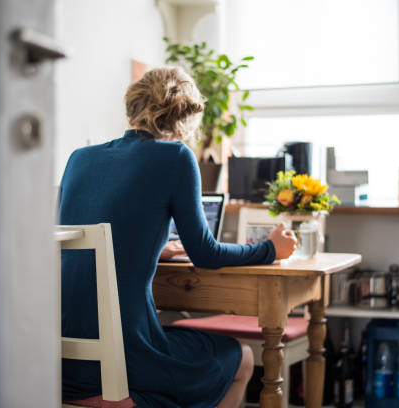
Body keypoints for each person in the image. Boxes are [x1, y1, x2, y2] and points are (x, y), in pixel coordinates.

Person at [58, 67, 297, 408]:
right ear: (186, 118)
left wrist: (152, 251)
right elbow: (206, 254)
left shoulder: (78, 159)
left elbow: (78, 243)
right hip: (124, 361)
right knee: (240, 356)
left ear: (133, 106)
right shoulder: (175, 157)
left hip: (65, 365)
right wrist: (271, 248)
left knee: (181, 331)